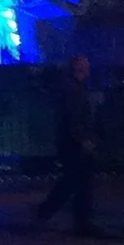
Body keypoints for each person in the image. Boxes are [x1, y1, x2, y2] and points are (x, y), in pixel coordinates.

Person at [32, 55, 101, 235]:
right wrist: (84, 139)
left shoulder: (72, 88)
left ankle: (55, 212)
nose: (85, 71)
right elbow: (73, 119)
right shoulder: (72, 90)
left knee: (75, 181)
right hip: (74, 143)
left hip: (71, 141)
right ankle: (78, 220)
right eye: (82, 67)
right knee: (78, 181)